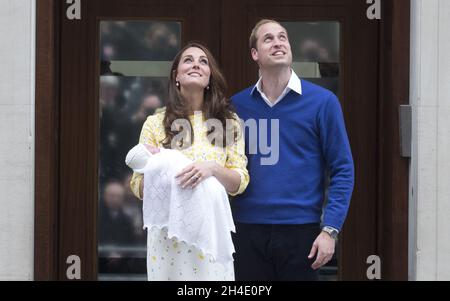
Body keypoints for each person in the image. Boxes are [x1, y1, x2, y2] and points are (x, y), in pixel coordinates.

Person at [231, 19, 354, 281]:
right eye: (268, 39)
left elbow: (343, 168)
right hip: (245, 231)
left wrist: (330, 229)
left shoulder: (323, 102)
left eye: (282, 37)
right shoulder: (236, 106)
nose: (278, 42)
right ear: (255, 54)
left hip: (301, 232)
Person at [129, 42, 249, 281]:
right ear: (176, 76)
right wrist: (164, 164)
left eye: (203, 61)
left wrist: (212, 169)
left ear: (209, 78)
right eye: (188, 60)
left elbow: (240, 182)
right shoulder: (156, 123)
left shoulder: (229, 123)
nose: (196, 64)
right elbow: (138, 186)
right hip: (168, 239)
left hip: (211, 237)